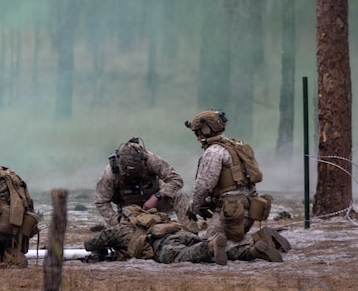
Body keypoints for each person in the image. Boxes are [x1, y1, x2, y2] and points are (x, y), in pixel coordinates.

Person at [185, 109, 264, 266]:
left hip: (231, 212)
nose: (198, 136)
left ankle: (256, 242)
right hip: (250, 208)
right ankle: (263, 239)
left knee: (210, 245)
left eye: (198, 132)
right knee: (229, 238)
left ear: (206, 130)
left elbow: (204, 185)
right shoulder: (236, 145)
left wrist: (194, 207)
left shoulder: (213, 152)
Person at [82, 205, 288, 264]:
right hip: (183, 233)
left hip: (163, 245)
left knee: (182, 256)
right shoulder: (158, 219)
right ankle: (253, 250)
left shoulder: (120, 229)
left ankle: (209, 245)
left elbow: (90, 243)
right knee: (219, 253)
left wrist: (103, 247)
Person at [94, 137, 195, 231]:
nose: (131, 175)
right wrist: (117, 222)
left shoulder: (151, 160)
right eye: (128, 173)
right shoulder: (111, 173)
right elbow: (101, 202)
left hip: (157, 201)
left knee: (180, 195)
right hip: (130, 210)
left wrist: (157, 196)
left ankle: (192, 234)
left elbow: (176, 180)